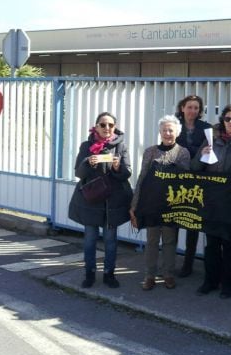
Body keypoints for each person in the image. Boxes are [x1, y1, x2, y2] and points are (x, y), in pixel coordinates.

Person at [192, 104, 231, 298]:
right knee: (211, 244)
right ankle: (210, 281)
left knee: (230, 245)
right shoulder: (211, 141)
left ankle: (228, 283)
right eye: (228, 119)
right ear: (223, 121)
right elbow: (195, 169)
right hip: (212, 201)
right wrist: (202, 157)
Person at [69, 112, 133, 289]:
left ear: (115, 127)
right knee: (90, 240)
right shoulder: (86, 145)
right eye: (103, 125)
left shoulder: (121, 146)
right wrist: (88, 162)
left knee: (110, 240)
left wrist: (117, 167)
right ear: (96, 126)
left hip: (111, 203)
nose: (107, 128)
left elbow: (127, 174)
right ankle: (89, 274)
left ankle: (109, 274)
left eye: (110, 125)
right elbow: (78, 173)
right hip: (91, 201)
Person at [130, 115, 191, 291]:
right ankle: (149, 275)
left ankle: (168, 274)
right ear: (160, 132)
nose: (167, 133)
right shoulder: (150, 151)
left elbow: (185, 177)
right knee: (151, 241)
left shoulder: (183, 152)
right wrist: (134, 205)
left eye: (171, 130)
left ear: (177, 132)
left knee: (170, 242)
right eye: (164, 130)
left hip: (172, 205)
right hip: (151, 205)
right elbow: (141, 178)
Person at [175, 95, 212, 278]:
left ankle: (188, 264)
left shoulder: (206, 128)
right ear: (182, 108)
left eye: (196, 108)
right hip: (175, 179)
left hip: (198, 180)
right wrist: (196, 153)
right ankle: (169, 263)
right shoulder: (173, 125)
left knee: (192, 223)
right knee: (172, 221)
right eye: (189, 107)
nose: (193, 111)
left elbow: (210, 152)